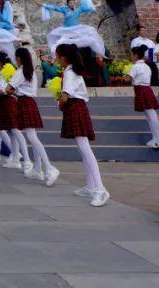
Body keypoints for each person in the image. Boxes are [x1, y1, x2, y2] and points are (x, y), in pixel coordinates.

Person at [54, 43, 109, 207]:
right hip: (77, 107)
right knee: (82, 147)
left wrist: (60, 105)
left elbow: (65, 97)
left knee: (85, 148)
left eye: (57, 56)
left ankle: (100, 189)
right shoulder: (73, 70)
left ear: (63, 57)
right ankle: (91, 186)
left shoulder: (70, 72)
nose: (56, 59)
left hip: (75, 107)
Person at [10, 47, 58, 185]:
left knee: (32, 137)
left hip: (24, 102)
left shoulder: (20, 72)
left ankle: (49, 168)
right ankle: (37, 169)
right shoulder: (30, 71)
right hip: (30, 102)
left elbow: (8, 89)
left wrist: (9, 92)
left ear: (19, 58)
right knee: (33, 136)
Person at [36, 0, 105, 60]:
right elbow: (55, 8)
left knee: (90, 38)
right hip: (67, 30)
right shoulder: (64, 9)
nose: (72, 4)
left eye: (73, 2)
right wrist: (43, 5)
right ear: (68, 4)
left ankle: (97, 54)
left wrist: (96, 5)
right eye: (70, 3)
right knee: (60, 42)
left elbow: (88, 8)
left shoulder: (78, 10)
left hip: (76, 29)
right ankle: (58, 57)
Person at [128, 46, 159, 148]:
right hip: (146, 89)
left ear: (135, 55)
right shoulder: (146, 66)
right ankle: (155, 138)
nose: (131, 56)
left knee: (151, 115)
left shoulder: (135, 66)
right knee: (150, 115)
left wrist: (125, 76)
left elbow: (128, 79)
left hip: (141, 90)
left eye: (132, 54)